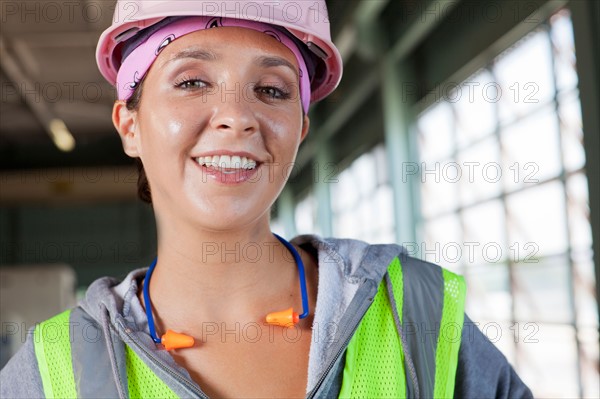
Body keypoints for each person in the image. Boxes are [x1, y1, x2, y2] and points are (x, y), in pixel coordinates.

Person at [0, 1, 532, 398]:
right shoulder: (54, 370)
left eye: (272, 90)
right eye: (191, 82)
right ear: (130, 125)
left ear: (300, 128)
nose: (238, 116)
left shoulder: (417, 312)